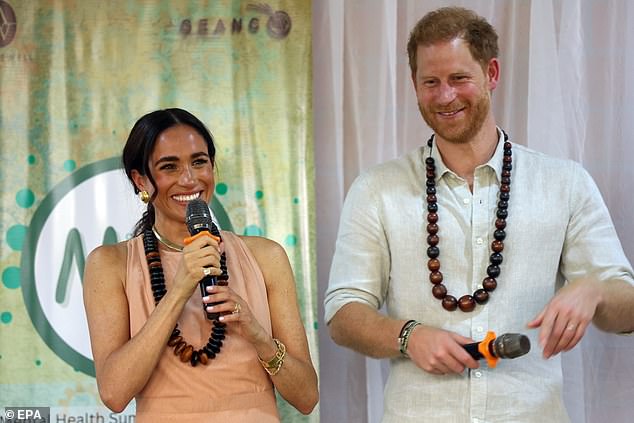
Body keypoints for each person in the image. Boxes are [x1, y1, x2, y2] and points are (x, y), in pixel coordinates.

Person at [324, 7, 634, 422]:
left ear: (491, 73)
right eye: (429, 82)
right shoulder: (376, 189)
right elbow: (343, 312)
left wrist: (595, 289)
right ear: (414, 85)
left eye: (459, 79)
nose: (445, 96)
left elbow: (627, 309)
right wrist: (407, 336)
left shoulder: (565, 183)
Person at [83, 108, 318, 422]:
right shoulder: (109, 264)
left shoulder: (266, 257)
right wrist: (180, 288)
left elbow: (306, 397)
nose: (189, 179)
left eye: (199, 161)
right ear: (140, 180)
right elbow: (114, 393)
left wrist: (258, 334)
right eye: (169, 166)